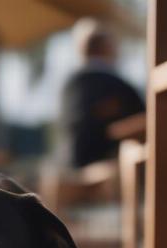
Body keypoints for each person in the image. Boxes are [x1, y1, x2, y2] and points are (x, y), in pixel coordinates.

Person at [59, 19, 144, 169]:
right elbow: (145, 119)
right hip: (109, 160)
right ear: (106, 47)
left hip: (71, 163)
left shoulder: (69, 85)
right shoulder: (115, 84)